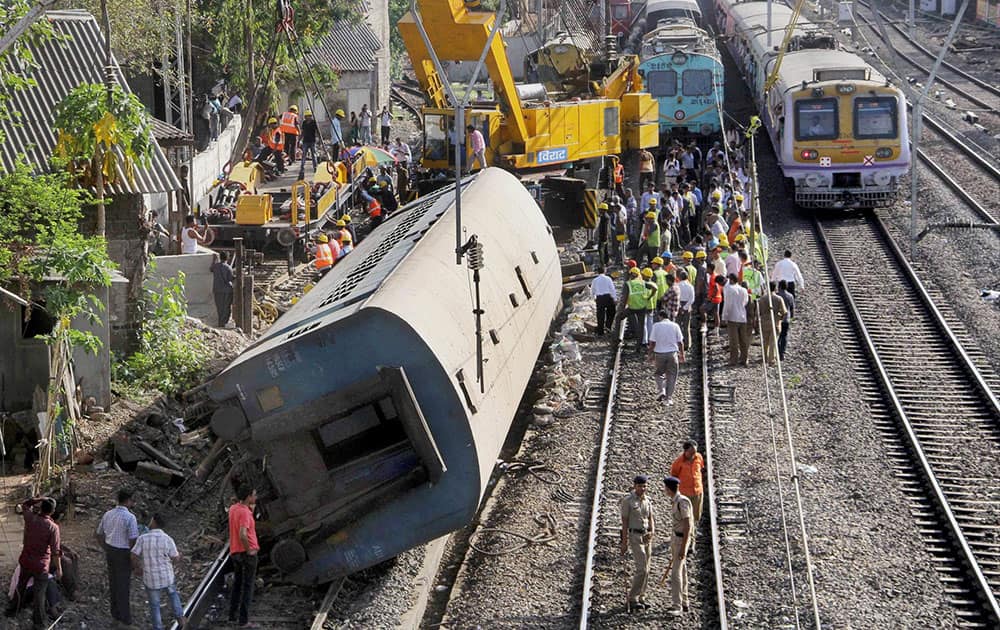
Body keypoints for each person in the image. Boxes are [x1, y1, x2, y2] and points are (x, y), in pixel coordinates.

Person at [7, 496, 61, 629]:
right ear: (53, 512)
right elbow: (55, 551)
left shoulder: (31, 518)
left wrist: (39, 498)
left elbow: (25, 505)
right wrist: (59, 568)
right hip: (41, 565)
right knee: (39, 595)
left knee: (20, 586)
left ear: (41, 507)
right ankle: (39, 623)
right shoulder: (53, 527)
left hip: (26, 561)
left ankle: (13, 610)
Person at [131, 513, 186, 630]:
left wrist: (138, 568)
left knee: (154, 605)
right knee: (173, 596)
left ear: (154, 522)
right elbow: (175, 558)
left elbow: (133, 555)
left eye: (151, 520)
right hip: (167, 577)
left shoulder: (142, 539)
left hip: (151, 579)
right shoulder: (168, 539)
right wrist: (179, 556)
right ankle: (181, 619)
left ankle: (158, 627)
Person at [96, 488, 139, 627]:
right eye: (132, 500)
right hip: (123, 552)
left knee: (113, 583)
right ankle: (125, 619)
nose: (133, 503)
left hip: (110, 550)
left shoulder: (108, 514)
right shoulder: (130, 517)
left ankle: (115, 615)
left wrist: (105, 547)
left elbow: (99, 533)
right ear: (127, 501)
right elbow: (133, 538)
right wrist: (133, 556)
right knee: (123, 585)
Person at [619, 475, 654, 612]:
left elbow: (651, 518)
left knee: (647, 569)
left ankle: (641, 597)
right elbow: (625, 522)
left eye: (644, 486)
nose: (642, 489)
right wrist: (624, 542)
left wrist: (652, 531)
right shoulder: (627, 501)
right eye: (640, 486)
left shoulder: (647, 500)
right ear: (634, 486)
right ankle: (632, 598)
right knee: (642, 569)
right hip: (634, 536)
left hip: (646, 536)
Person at [228, 484, 259, 627]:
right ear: (248, 497)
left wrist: (250, 510)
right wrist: (249, 550)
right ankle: (243, 621)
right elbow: (243, 534)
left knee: (237, 584)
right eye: (254, 495)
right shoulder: (245, 513)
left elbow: (240, 520)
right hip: (247, 554)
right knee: (248, 587)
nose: (256, 497)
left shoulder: (234, 508)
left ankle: (232, 615)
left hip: (235, 553)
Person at [663, 476, 694, 616]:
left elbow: (688, 525)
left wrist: (683, 547)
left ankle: (677, 605)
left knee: (676, 572)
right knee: (682, 570)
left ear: (669, 489)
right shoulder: (676, 501)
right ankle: (685, 601)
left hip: (681, 539)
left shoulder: (682, 502)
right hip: (676, 538)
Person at [647, 310, 685, 404]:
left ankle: (661, 391)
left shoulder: (656, 326)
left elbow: (652, 343)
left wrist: (650, 354)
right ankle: (668, 399)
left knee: (658, 373)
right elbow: (680, 342)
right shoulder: (675, 326)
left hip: (659, 354)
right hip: (672, 354)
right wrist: (682, 355)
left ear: (660, 316)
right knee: (672, 376)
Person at [670, 441, 705, 533]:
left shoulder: (699, 457)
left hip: (697, 491)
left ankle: (692, 532)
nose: (693, 455)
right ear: (685, 451)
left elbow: (700, 470)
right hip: (685, 494)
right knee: (685, 516)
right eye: (691, 452)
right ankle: (686, 534)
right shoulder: (678, 462)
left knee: (695, 515)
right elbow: (674, 476)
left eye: (695, 452)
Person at [722, 273, 750, 365]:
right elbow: (745, 302)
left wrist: (724, 316)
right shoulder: (744, 290)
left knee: (734, 341)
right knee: (743, 340)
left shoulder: (729, 289)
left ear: (731, 280)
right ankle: (744, 358)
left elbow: (727, 304)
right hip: (742, 317)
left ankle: (734, 360)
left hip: (732, 317)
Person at [757, 281, 788, 365]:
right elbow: (784, 312)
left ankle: (764, 357)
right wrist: (780, 318)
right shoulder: (778, 298)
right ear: (775, 288)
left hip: (764, 322)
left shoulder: (762, 299)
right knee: (773, 341)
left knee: (765, 341)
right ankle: (771, 359)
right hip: (775, 322)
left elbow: (758, 312)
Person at [623, 268, 652, 350]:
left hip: (632, 306)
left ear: (632, 274)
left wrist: (623, 307)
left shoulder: (629, 283)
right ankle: (639, 345)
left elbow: (625, 297)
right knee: (642, 325)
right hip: (642, 306)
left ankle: (618, 336)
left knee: (620, 317)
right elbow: (654, 288)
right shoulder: (643, 282)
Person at [591, 267, 617, 336]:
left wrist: (594, 298)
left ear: (597, 272)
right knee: (611, 312)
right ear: (604, 271)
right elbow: (612, 289)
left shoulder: (595, 280)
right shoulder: (608, 279)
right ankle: (608, 326)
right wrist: (615, 299)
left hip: (599, 298)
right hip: (608, 297)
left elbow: (592, 290)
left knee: (600, 315)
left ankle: (600, 331)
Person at [211, 251, 235, 328]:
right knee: (226, 308)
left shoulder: (215, 266)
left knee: (219, 307)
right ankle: (224, 323)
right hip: (227, 290)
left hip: (217, 290)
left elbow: (211, 269)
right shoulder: (228, 267)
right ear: (227, 258)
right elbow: (230, 279)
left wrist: (214, 260)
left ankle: (220, 323)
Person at [776, 279, 795, 360]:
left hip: (777, 319)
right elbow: (792, 307)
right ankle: (782, 352)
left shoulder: (777, 295)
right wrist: (791, 317)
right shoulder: (790, 296)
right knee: (784, 336)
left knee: (776, 336)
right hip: (786, 319)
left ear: (779, 286)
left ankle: (776, 351)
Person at [297, 109, 319, 179]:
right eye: (307, 116)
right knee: (303, 156)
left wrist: (319, 139)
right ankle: (302, 170)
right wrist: (299, 139)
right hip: (305, 141)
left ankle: (316, 169)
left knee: (314, 156)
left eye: (309, 116)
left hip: (312, 141)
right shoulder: (304, 123)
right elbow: (303, 132)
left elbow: (317, 131)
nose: (308, 117)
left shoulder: (314, 122)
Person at [675, 269, 694, 348]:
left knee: (678, 326)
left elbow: (676, 297)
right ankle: (687, 344)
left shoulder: (677, 285)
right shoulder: (690, 286)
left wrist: (680, 307)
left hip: (679, 306)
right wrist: (685, 308)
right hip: (687, 306)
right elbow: (692, 299)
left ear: (679, 277)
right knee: (686, 326)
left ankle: (678, 343)